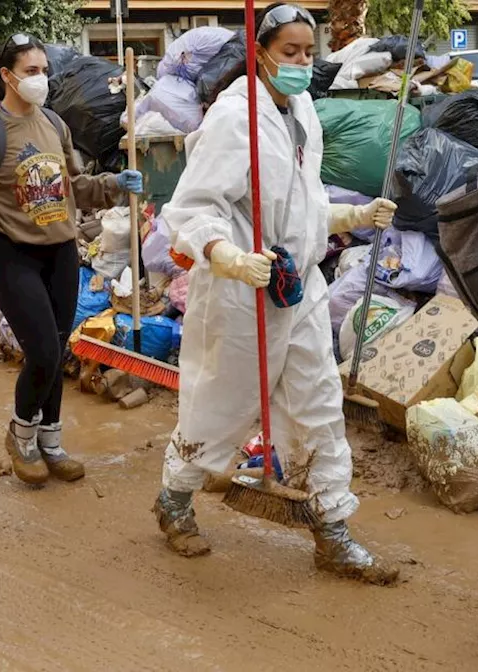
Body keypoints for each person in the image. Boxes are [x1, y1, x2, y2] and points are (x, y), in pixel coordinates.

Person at [150, 3, 399, 584]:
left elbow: (299, 206)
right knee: (223, 405)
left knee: (318, 405)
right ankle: (175, 497)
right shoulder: (234, 117)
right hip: (241, 293)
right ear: (260, 52)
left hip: (299, 285)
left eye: (309, 53)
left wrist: (351, 215)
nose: (302, 64)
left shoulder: (304, 110)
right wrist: (229, 257)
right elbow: (191, 208)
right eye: (290, 53)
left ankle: (332, 528)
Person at [0, 34, 144, 486]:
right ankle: (21, 433)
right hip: (10, 251)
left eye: (44, 71)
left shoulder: (54, 123)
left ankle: (51, 440)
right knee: (43, 350)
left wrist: (113, 183)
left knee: (55, 348)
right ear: (7, 76)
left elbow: (77, 186)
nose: (41, 79)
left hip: (60, 251)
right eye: (31, 71)